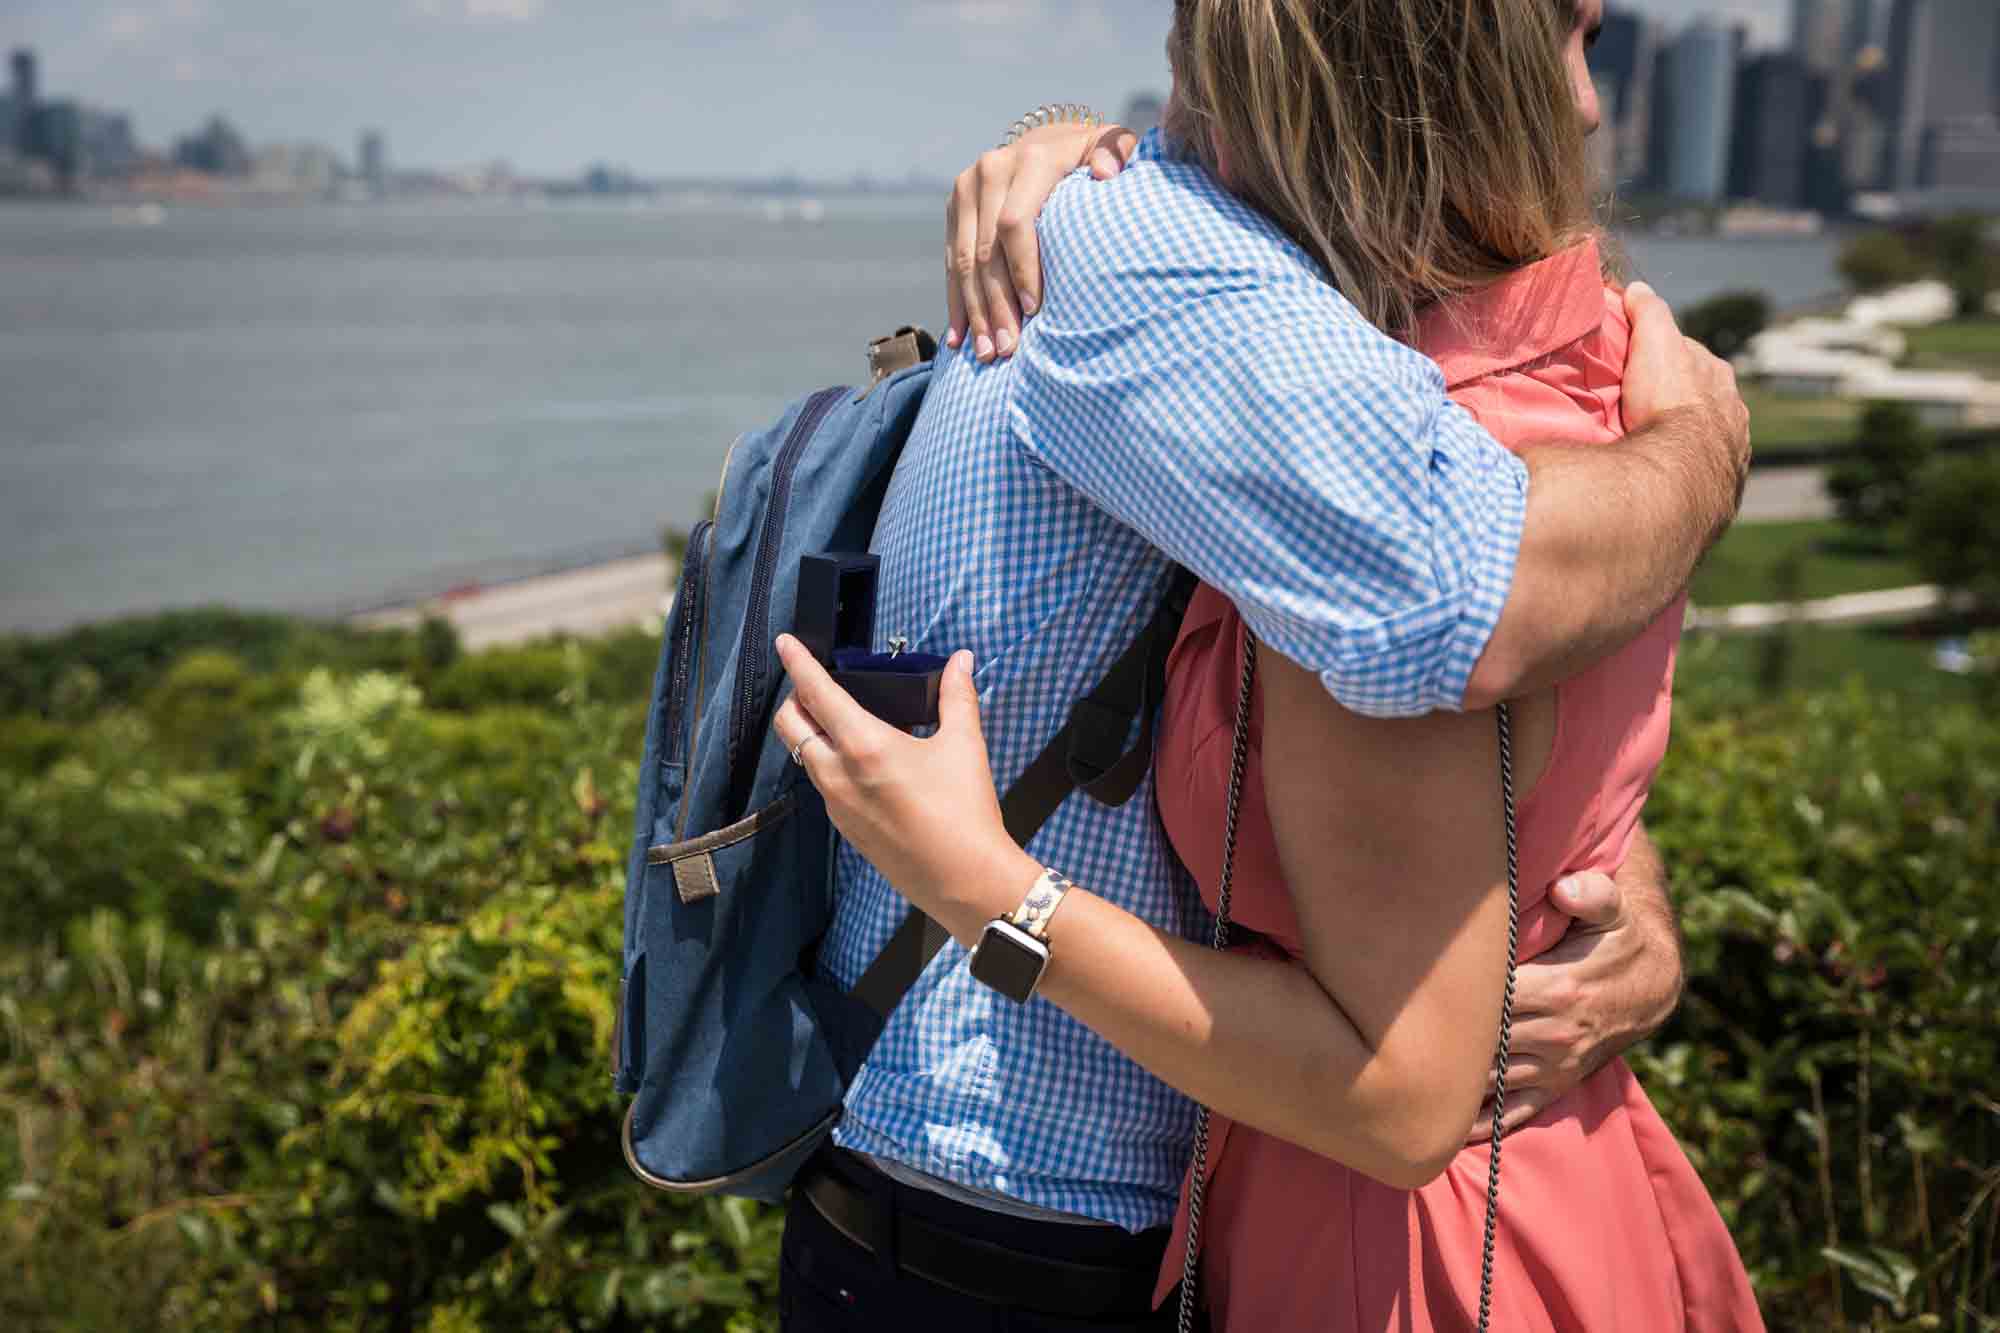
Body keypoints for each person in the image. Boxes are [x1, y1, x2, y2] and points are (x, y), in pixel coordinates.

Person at [769, 1, 1750, 1328]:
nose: (1582, 106)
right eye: (1566, 40)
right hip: (1013, 1238)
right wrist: (1704, 447)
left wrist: (1619, 905)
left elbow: (1516, 723)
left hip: (1038, 1215)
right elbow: (1474, 598)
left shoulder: (1220, 276)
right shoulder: (1174, 268)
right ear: (1418, 66)